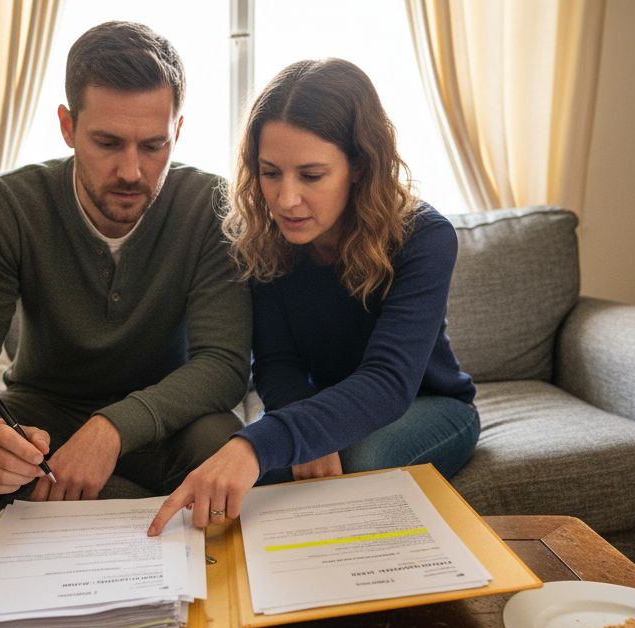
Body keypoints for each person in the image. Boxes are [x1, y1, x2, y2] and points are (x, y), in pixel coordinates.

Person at [0, 21, 251, 515]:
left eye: (153, 145)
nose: (131, 171)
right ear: (67, 126)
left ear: (178, 130)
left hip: (165, 419)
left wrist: (111, 429)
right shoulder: (9, 204)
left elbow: (223, 365)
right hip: (44, 411)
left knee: (225, 445)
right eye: (107, 143)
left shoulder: (211, 207)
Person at [148, 58, 479, 535]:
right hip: (318, 403)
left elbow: (388, 382)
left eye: (311, 175)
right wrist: (303, 429)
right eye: (270, 173)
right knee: (269, 472)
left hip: (426, 405)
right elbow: (277, 363)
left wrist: (269, 440)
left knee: (354, 459)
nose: (285, 200)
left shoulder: (425, 238)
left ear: (360, 167)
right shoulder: (262, 235)